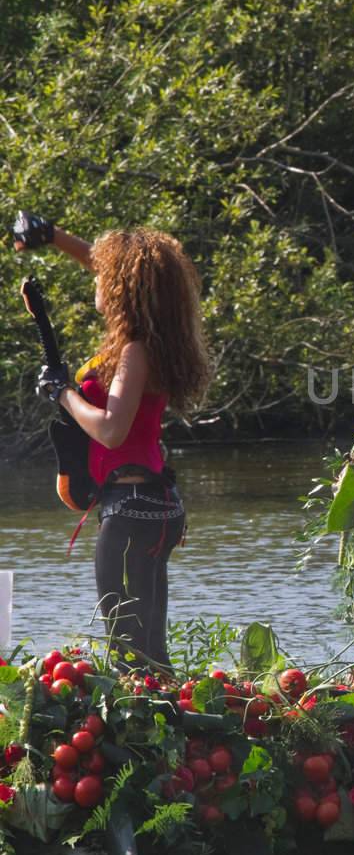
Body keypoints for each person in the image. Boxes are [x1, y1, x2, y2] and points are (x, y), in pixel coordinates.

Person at [14, 212, 212, 669]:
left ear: (125, 289)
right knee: (151, 658)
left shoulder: (135, 350)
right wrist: (54, 236)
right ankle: (172, 732)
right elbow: (108, 268)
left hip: (130, 511)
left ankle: (150, 735)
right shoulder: (152, 338)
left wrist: (61, 393)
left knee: (130, 660)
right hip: (153, 505)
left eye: (109, 275)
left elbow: (110, 429)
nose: (97, 279)